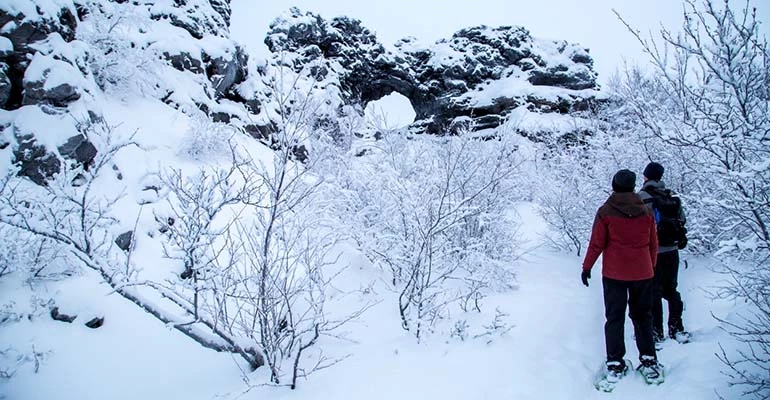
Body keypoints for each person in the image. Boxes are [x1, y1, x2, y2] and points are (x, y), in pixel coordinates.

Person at [581, 169, 662, 382]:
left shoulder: (606, 210)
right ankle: (648, 360)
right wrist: (650, 267)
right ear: (633, 186)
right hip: (642, 273)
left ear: (614, 185)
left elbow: (596, 243)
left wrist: (587, 267)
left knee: (614, 318)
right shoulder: (645, 211)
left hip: (614, 273)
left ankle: (615, 363)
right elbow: (653, 244)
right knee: (643, 316)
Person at [638, 162, 689, 343]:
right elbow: (682, 219)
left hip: (652, 253)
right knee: (672, 289)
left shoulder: (642, 197)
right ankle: (676, 328)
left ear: (645, 176)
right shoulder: (672, 196)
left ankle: (656, 332)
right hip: (672, 250)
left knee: (654, 291)